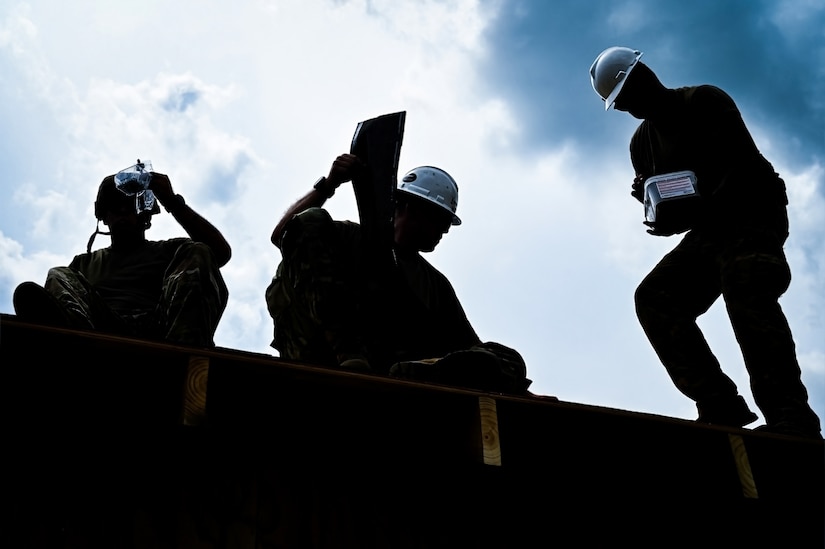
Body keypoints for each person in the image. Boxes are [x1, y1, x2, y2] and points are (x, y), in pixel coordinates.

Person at [589, 46, 821, 438]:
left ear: (644, 75)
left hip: (752, 213)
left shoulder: (702, 101)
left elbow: (742, 170)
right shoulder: (641, 145)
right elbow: (677, 205)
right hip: (711, 229)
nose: (629, 107)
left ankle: (790, 416)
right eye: (622, 104)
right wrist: (658, 210)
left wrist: (689, 208)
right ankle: (719, 403)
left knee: (746, 287)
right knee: (656, 297)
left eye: (629, 95)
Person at [265, 153, 530, 394]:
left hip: (386, 367)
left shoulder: (434, 284)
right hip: (319, 350)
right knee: (311, 220)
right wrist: (329, 185)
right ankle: (350, 355)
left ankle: (423, 371)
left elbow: (471, 348)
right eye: (440, 220)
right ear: (411, 207)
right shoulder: (350, 237)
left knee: (505, 357)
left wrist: (513, 381)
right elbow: (285, 236)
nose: (445, 231)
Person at [13, 166, 231, 348]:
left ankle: (181, 355)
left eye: (128, 206)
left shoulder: (171, 252)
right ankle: (75, 342)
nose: (122, 213)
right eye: (113, 209)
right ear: (104, 216)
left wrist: (172, 202)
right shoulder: (83, 265)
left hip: (160, 335)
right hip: (99, 331)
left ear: (144, 214)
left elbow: (218, 253)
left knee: (199, 252)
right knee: (58, 274)